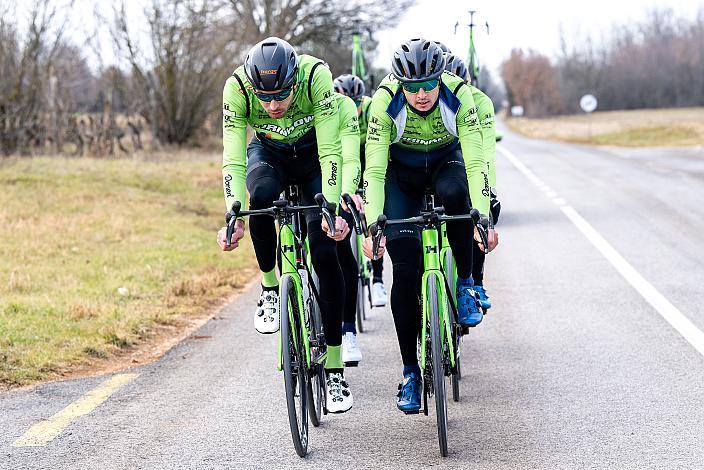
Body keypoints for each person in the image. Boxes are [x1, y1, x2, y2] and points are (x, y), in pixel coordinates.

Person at [216, 37, 355, 413]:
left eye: (281, 95)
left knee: (325, 252)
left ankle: (334, 368)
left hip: (313, 156)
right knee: (260, 198)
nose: (273, 105)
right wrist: (234, 211)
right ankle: (271, 289)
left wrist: (330, 206)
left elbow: (331, 150)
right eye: (265, 97)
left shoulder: (316, 78)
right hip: (269, 155)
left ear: (294, 81)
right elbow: (233, 157)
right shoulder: (237, 88)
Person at [361, 38, 497, 412]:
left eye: (428, 85)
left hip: (445, 165)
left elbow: (477, 163)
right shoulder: (384, 103)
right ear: (400, 84)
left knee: (457, 196)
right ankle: (410, 373)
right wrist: (372, 226)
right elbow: (373, 171)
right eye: (412, 88)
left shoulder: (460, 97)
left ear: (441, 78)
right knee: (405, 271)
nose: (421, 95)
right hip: (399, 178)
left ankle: (466, 284)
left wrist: (482, 215)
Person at [443, 52, 501, 310]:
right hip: (441, 167)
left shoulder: (480, 102)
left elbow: (486, 151)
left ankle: (475, 282)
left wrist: (488, 192)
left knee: (479, 213)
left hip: (471, 165)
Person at [334, 74, 389, 309]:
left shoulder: (370, 110)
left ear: (362, 100)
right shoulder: (333, 112)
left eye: (356, 103)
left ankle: (377, 280)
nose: (353, 108)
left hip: (368, 162)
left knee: (371, 217)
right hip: (346, 162)